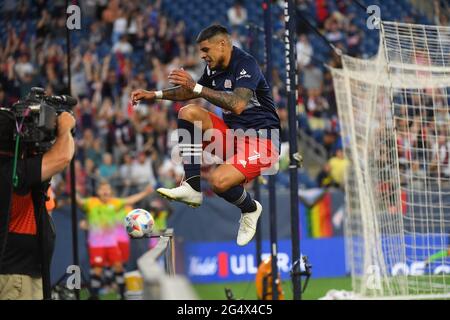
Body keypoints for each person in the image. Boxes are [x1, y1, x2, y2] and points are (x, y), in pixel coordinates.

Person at [131, 24, 280, 246]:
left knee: (219, 182)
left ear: (222, 44)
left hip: (263, 142)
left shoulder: (245, 64)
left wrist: (196, 88)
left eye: (205, 50)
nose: (202, 55)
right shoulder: (213, 68)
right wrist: (155, 94)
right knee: (188, 112)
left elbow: (237, 104)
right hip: (233, 137)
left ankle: (250, 209)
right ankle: (191, 185)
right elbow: (190, 91)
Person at [0, 111, 75, 300]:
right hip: (14, 277)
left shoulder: (12, 167)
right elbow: (62, 157)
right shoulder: (9, 171)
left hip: (20, 273)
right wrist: (65, 129)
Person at [76, 181, 152, 300]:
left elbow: (130, 200)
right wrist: (73, 191)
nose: (105, 191)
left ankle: (122, 294)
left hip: (112, 243)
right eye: (102, 189)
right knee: (97, 269)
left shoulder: (115, 203)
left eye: (107, 189)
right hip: (96, 244)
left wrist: (145, 192)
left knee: (118, 266)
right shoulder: (91, 202)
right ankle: (94, 295)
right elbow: (79, 202)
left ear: (110, 191)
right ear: (98, 192)